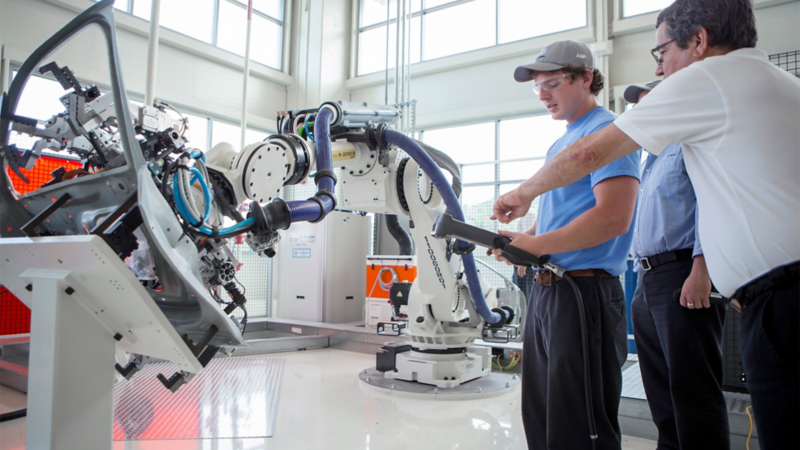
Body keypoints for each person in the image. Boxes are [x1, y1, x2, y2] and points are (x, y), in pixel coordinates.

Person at [491, 1, 799, 448]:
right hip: (751, 293)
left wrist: (522, 196)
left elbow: (594, 171)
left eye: (661, 52)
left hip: (772, 296)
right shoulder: (775, 86)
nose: (661, 68)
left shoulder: (708, 78)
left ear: (700, 41)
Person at [499, 39, 641, 450]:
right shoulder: (562, 142)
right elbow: (560, 216)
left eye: (554, 83)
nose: (543, 94)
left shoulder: (606, 134)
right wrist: (523, 244)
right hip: (550, 290)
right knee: (543, 416)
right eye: (537, 86)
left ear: (586, 78)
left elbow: (614, 217)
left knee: (579, 425)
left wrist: (539, 244)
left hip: (583, 294)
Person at [626, 80, 729, 449]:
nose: (641, 113)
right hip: (646, 277)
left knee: (693, 389)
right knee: (660, 388)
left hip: (682, 272)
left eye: (648, 104)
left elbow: (711, 206)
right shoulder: (648, 160)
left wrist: (702, 271)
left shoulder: (691, 146)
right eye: (638, 106)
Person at [511, 211, 535, 302]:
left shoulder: (529, 215)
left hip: (527, 260)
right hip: (520, 259)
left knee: (528, 296)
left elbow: (530, 238)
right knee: (520, 295)